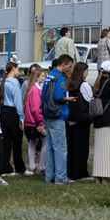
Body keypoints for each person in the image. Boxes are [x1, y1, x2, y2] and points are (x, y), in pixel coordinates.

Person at [42, 54, 75, 184]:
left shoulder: (49, 76)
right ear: (64, 64)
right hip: (58, 115)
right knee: (60, 148)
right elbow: (58, 96)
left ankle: (49, 176)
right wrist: (68, 99)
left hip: (48, 115)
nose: (70, 69)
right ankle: (61, 177)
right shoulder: (60, 78)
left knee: (50, 147)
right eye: (70, 66)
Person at [65, 61, 93, 181]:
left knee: (72, 148)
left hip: (70, 120)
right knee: (82, 148)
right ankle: (81, 173)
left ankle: (71, 172)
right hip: (82, 120)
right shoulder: (84, 85)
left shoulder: (70, 84)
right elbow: (90, 100)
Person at [0, 61, 26, 176]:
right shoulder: (14, 83)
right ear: (13, 69)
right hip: (13, 112)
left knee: (5, 142)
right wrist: (22, 117)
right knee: (17, 141)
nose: (18, 72)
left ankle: (5, 167)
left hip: (3, 112)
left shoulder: (1, 83)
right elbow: (18, 101)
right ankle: (19, 168)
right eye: (18, 69)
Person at [23, 67, 47, 175]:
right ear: (37, 78)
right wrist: (40, 123)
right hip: (35, 122)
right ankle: (40, 165)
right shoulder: (35, 91)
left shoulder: (31, 89)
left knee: (32, 143)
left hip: (30, 121)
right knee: (46, 142)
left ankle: (32, 165)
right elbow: (36, 108)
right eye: (42, 76)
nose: (44, 77)